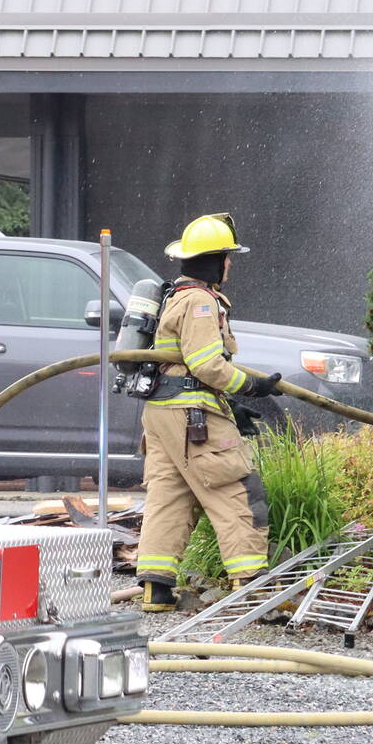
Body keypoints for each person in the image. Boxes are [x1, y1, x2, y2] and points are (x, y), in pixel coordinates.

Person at [133, 213, 284, 613]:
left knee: (170, 497)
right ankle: (248, 584)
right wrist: (251, 388)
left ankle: (156, 589)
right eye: (228, 257)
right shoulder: (201, 302)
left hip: (162, 415)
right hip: (192, 415)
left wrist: (230, 403)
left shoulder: (175, 296)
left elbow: (184, 365)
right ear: (216, 261)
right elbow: (205, 365)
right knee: (236, 488)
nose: (230, 264)